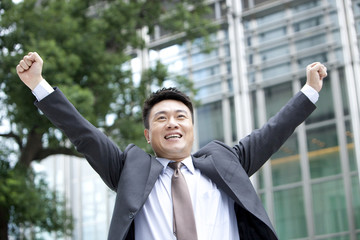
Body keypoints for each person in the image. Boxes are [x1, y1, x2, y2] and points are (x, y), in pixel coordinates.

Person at [16, 52, 327, 240]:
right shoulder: (130, 170)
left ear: (192, 128)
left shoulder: (225, 162)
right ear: (148, 135)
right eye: (161, 118)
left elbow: (272, 134)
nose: (172, 123)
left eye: (181, 116)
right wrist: (38, 85)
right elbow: (84, 135)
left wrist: (310, 91)